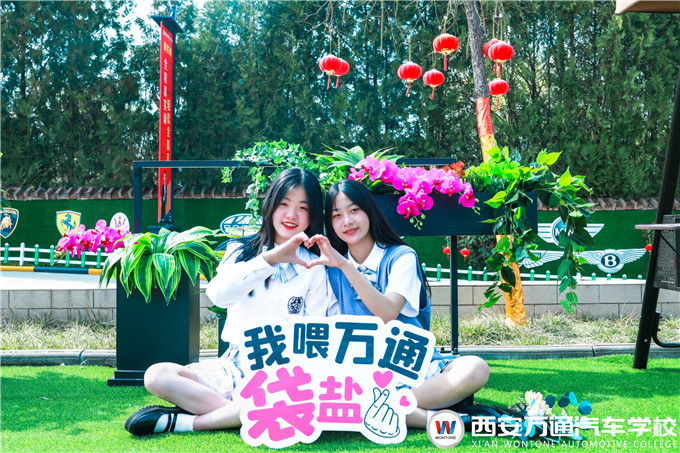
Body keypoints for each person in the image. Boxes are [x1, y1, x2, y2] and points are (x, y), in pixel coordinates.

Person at [124, 168, 338, 436]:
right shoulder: (241, 251)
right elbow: (218, 296)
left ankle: (187, 423)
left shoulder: (315, 266)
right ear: (270, 205)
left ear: (313, 215)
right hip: (234, 366)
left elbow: (317, 331)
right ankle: (253, 414)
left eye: (302, 208)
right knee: (157, 375)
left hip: (284, 375)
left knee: (293, 394)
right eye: (284, 204)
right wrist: (269, 259)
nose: (291, 215)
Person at [307, 179, 490, 429]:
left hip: (413, 369)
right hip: (365, 376)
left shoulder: (400, 257)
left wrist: (345, 266)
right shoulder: (331, 271)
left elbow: (387, 312)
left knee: (475, 368)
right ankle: (437, 417)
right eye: (336, 215)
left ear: (369, 211)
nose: (347, 221)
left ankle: (382, 406)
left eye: (354, 210)